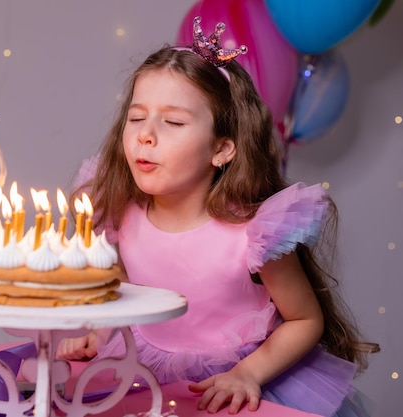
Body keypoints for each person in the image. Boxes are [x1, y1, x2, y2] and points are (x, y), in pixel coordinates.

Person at [56, 17, 379, 417]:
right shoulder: (117, 210)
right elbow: (125, 290)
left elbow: (304, 320)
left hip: (235, 382)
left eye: (172, 122)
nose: (145, 134)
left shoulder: (258, 232)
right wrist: (99, 332)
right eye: (136, 117)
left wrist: (248, 374)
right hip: (143, 375)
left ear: (223, 149)